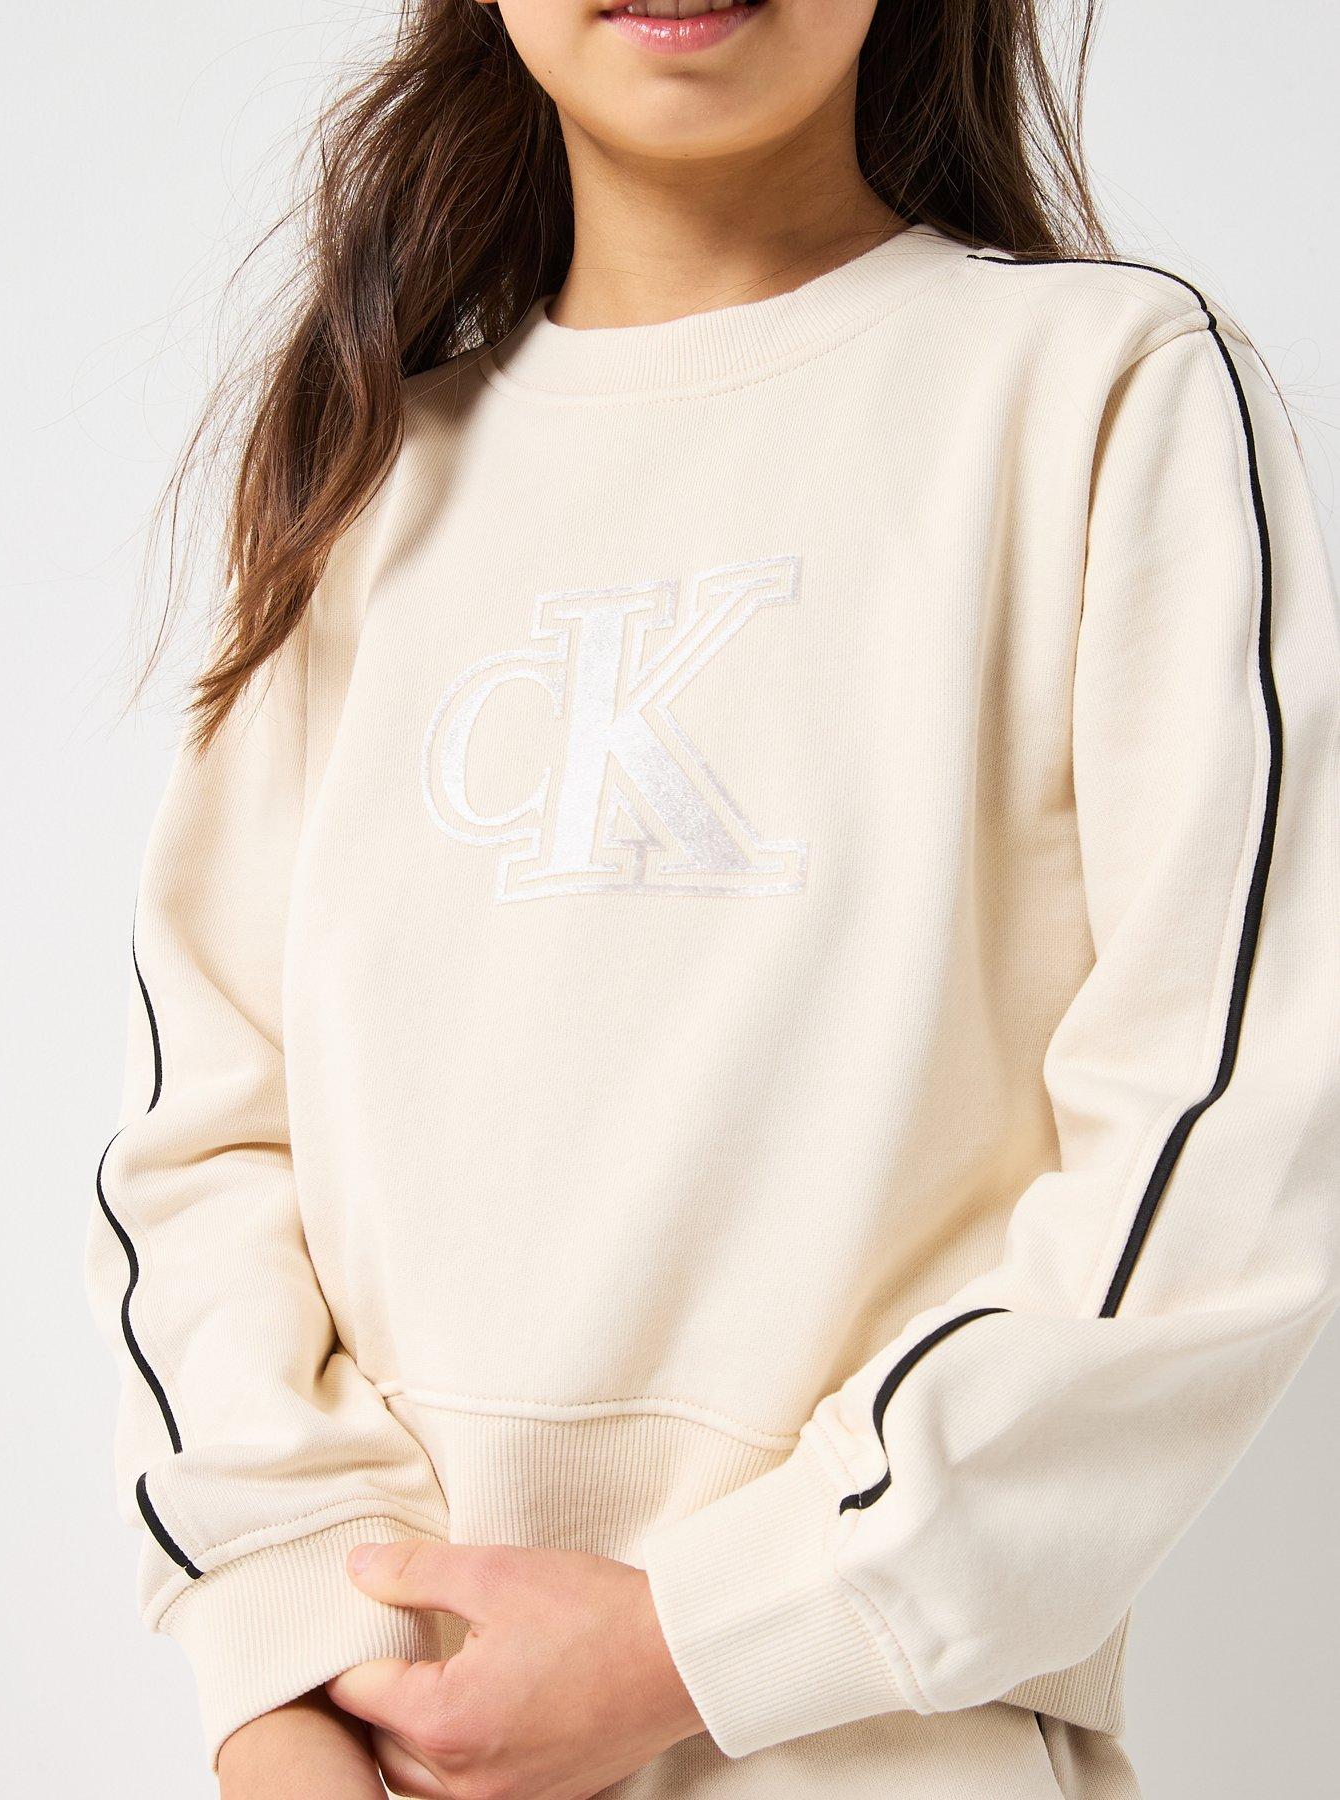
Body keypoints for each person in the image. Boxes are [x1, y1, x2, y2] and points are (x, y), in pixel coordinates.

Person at [87, 2, 1340, 1796]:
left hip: (882, 1746)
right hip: (383, 1747)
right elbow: (205, 1142)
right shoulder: (367, 473)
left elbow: (1223, 1142)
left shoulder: (1101, 390)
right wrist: (284, 1662)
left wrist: (711, 1633)